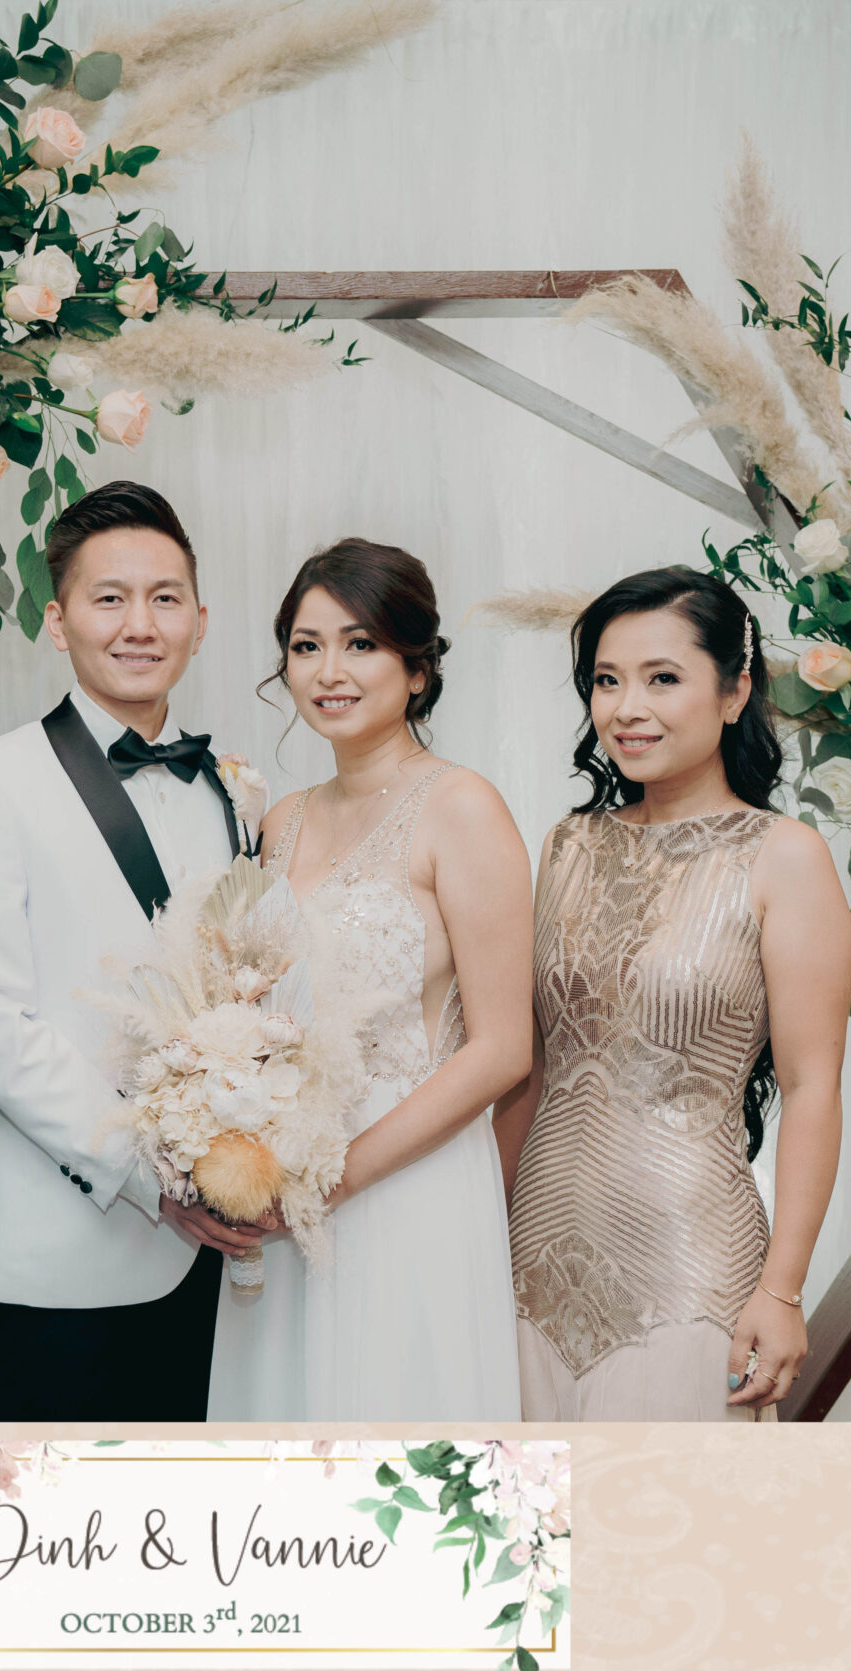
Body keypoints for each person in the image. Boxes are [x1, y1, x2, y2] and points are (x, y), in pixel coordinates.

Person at [0, 482, 258, 1422]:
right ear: (57, 619)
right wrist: (155, 1177)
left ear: (200, 621)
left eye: (165, 598)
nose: (139, 624)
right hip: (63, 1264)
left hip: (222, 1266)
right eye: (110, 598)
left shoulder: (229, 787)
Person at [497, 567, 851, 1421]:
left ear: (735, 692)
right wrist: (477, 1242)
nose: (627, 708)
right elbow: (531, 1070)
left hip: (691, 1274)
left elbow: (812, 1086)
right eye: (606, 680)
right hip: (530, 1265)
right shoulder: (567, 844)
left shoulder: (785, 856)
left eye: (662, 678)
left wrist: (784, 1290)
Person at [207, 539, 530, 1422]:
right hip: (279, 1189)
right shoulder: (281, 819)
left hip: (405, 1180)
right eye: (306, 646)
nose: (329, 671)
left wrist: (335, 1178)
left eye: (360, 644)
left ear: (416, 669)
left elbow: (504, 1048)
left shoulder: (462, 806)